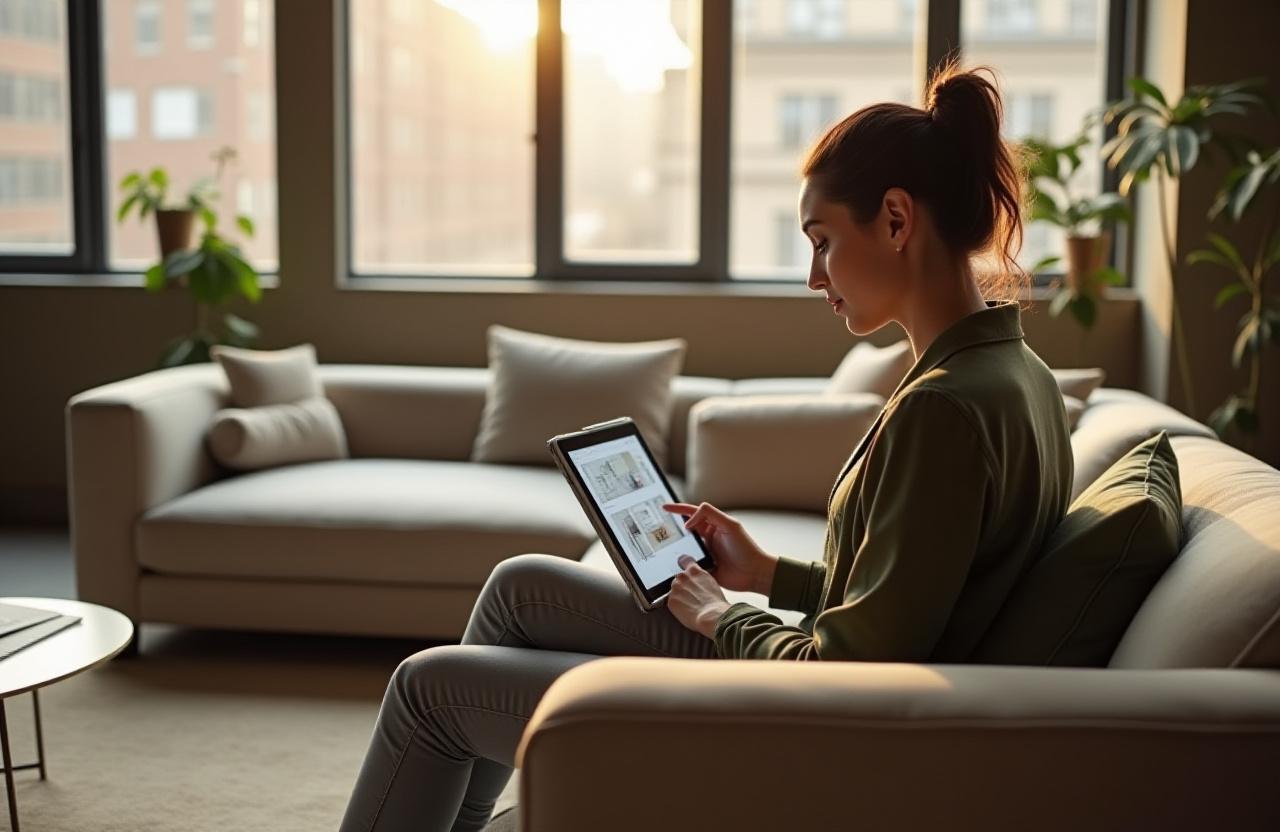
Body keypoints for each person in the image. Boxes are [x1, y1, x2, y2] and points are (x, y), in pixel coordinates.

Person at [338, 59, 1073, 832]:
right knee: (522, 584)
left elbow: (854, 671)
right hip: (822, 688)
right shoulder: (1019, 373)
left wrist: (724, 614)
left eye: (821, 242)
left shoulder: (946, 410)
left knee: (430, 686)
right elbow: (914, 598)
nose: (813, 276)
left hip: (811, 727)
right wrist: (766, 573)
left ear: (896, 220)